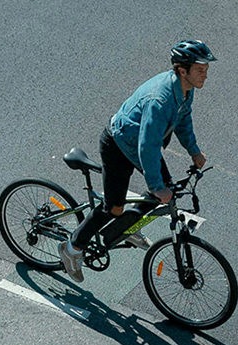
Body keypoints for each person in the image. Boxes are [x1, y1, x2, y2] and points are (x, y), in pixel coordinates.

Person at [60, 40, 214, 281]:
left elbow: (183, 121)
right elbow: (147, 146)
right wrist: (156, 185)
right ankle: (72, 247)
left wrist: (194, 151)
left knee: (164, 190)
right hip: (119, 145)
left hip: (139, 144)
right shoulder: (160, 101)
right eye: (200, 70)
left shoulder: (185, 90)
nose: (205, 75)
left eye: (206, 69)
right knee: (114, 207)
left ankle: (125, 227)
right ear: (182, 70)